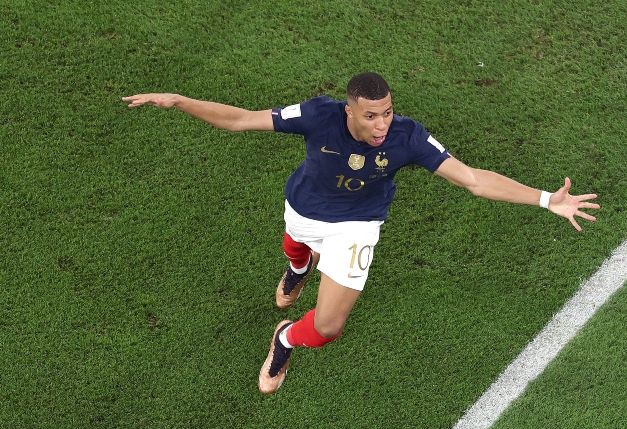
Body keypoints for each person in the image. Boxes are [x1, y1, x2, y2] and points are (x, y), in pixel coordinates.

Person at [122, 72, 599, 394]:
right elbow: (242, 120)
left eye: (387, 112)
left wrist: (544, 198)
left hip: (357, 227)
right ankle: (299, 266)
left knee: (328, 327)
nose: (381, 124)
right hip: (305, 209)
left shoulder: (408, 137)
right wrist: (180, 101)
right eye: (371, 115)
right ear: (348, 110)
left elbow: (472, 178)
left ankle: (285, 339)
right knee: (295, 246)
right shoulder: (317, 115)